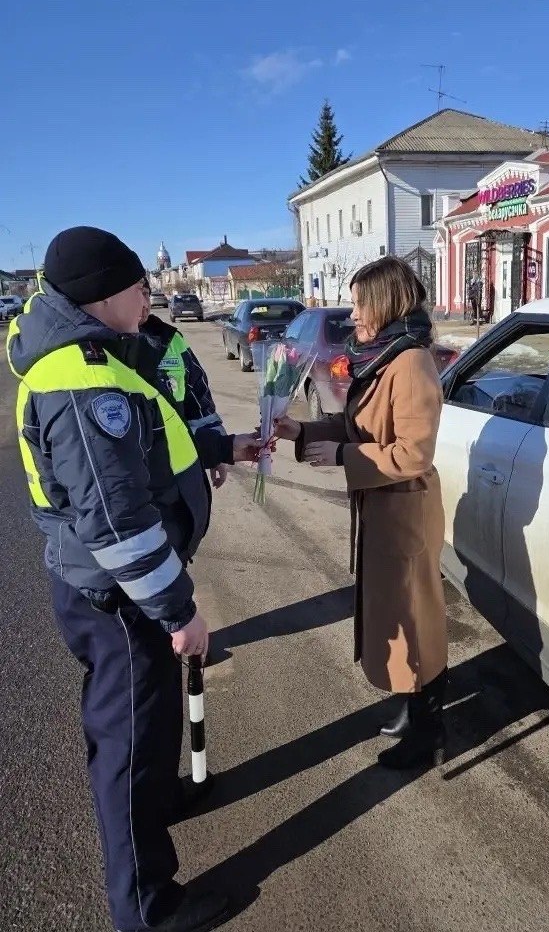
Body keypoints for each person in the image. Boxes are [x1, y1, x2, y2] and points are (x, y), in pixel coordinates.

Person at [6, 226, 261, 932]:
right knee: (129, 741)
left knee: (144, 732)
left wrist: (223, 445)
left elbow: (152, 447)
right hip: (120, 598)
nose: (149, 295)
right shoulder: (83, 379)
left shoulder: (102, 358)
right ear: (100, 296)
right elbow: (117, 523)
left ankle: (153, 803)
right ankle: (149, 908)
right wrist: (181, 614)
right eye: (137, 286)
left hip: (120, 591)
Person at [275, 255, 448, 770]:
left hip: (405, 512)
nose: (351, 314)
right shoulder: (382, 355)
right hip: (384, 507)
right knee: (392, 612)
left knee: (412, 619)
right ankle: (409, 703)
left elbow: (414, 452)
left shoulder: (411, 362)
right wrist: (303, 432)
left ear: (383, 301)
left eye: (356, 302)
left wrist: (346, 458)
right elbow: (360, 429)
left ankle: (428, 731)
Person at [139, 279, 229, 489]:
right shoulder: (99, 348)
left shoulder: (171, 340)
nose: (143, 303)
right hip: (134, 483)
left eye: (145, 294)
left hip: (179, 478)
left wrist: (217, 451)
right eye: (135, 294)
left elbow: (199, 402)